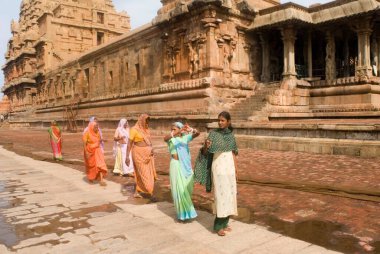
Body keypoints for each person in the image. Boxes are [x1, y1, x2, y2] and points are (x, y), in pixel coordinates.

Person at [194, 111, 238, 236]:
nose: (220, 122)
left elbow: (233, 152)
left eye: (223, 120)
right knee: (221, 196)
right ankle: (218, 226)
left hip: (229, 168)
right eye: (219, 120)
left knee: (230, 195)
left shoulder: (231, 135)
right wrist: (206, 146)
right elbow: (205, 152)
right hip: (218, 168)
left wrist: (236, 169)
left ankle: (225, 223)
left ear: (228, 122)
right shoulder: (213, 134)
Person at [163, 122, 200, 221]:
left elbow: (197, 133)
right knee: (179, 190)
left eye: (174, 129)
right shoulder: (171, 139)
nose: (172, 131)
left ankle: (187, 211)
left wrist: (190, 129)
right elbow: (165, 138)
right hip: (176, 165)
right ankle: (182, 214)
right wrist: (176, 132)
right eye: (171, 129)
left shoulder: (185, 138)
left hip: (186, 166)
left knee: (186, 189)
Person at [125, 114, 157, 198]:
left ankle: (137, 191)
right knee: (144, 174)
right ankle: (150, 192)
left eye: (148, 121)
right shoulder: (134, 130)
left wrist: (151, 149)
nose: (147, 122)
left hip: (148, 155)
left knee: (143, 174)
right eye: (146, 120)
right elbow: (129, 144)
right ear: (141, 120)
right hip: (138, 154)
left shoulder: (146, 129)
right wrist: (127, 156)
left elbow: (149, 141)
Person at [83, 121, 108, 186]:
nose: (97, 128)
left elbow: (99, 140)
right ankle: (91, 177)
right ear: (92, 127)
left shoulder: (98, 132)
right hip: (90, 151)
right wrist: (86, 152)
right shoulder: (87, 133)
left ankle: (101, 180)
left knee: (101, 164)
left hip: (98, 150)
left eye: (97, 126)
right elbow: (84, 143)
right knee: (91, 166)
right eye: (95, 127)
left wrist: (103, 140)